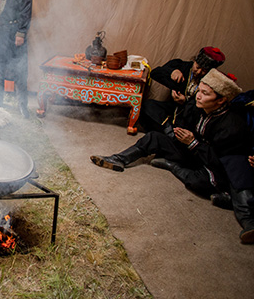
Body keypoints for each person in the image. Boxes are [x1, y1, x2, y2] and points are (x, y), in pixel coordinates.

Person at [90, 69, 254, 243]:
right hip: (191, 151)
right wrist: (181, 129)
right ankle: (119, 159)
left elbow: (222, 163)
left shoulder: (232, 126)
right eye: (199, 90)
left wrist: (193, 143)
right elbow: (181, 123)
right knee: (154, 137)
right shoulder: (196, 106)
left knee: (198, 181)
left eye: (205, 93)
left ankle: (172, 166)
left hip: (212, 165)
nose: (198, 96)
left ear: (221, 100)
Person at [140, 46, 225, 133]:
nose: (199, 72)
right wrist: (172, 71)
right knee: (148, 106)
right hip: (172, 109)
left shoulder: (212, 82)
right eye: (198, 67)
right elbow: (155, 73)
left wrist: (185, 102)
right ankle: (169, 131)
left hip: (191, 115)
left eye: (204, 70)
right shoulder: (182, 66)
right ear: (195, 61)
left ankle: (170, 133)